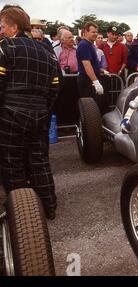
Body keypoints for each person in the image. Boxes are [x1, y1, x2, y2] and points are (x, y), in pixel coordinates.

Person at [0, 6, 60, 219]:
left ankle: (22, 215)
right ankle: (48, 206)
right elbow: (55, 88)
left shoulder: (5, 47)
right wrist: (42, 109)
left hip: (10, 113)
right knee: (39, 160)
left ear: (14, 27)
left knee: (11, 161)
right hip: (40, 113)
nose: (1, 30)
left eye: (3, 26)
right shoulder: (47, 53)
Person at [76, 22, 104, 105]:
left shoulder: (89, 44)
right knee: (90, 107)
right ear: (86, 32)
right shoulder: (84, 45)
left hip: (90, 79)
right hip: (87, 80)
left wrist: (100, 70)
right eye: (93, 32)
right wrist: (96, 82)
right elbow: (87, 66)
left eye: (96, 32)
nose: (95, 34)